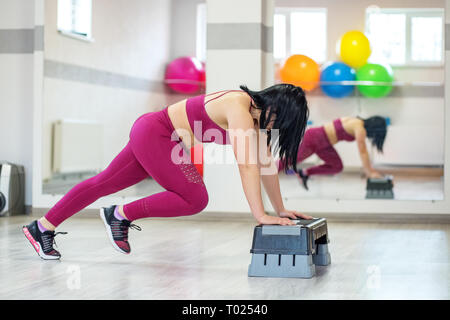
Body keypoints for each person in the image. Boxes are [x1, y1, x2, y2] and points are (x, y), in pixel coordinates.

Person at [23, 84, 313, 260]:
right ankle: (119, 215)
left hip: (157, 136)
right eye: (283, 122)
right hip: (157, 132)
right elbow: (247, 165)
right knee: (196, 198)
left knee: (102, 183)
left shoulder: (257, 124)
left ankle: (41, 228)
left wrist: (281, 208)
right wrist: (261, 215)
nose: (278, 128)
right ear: (275, 108)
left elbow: (264, 166)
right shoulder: (239, 105)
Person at [278, 116, 388, 190]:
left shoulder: (356, 120)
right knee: (290, 160)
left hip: (324, 143)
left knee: (337, 166)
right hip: (315, 138)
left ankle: (304, 173)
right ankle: (267, 171)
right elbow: (363, 151)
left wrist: (371, 171)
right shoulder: (360, 128)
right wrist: (369, 172)